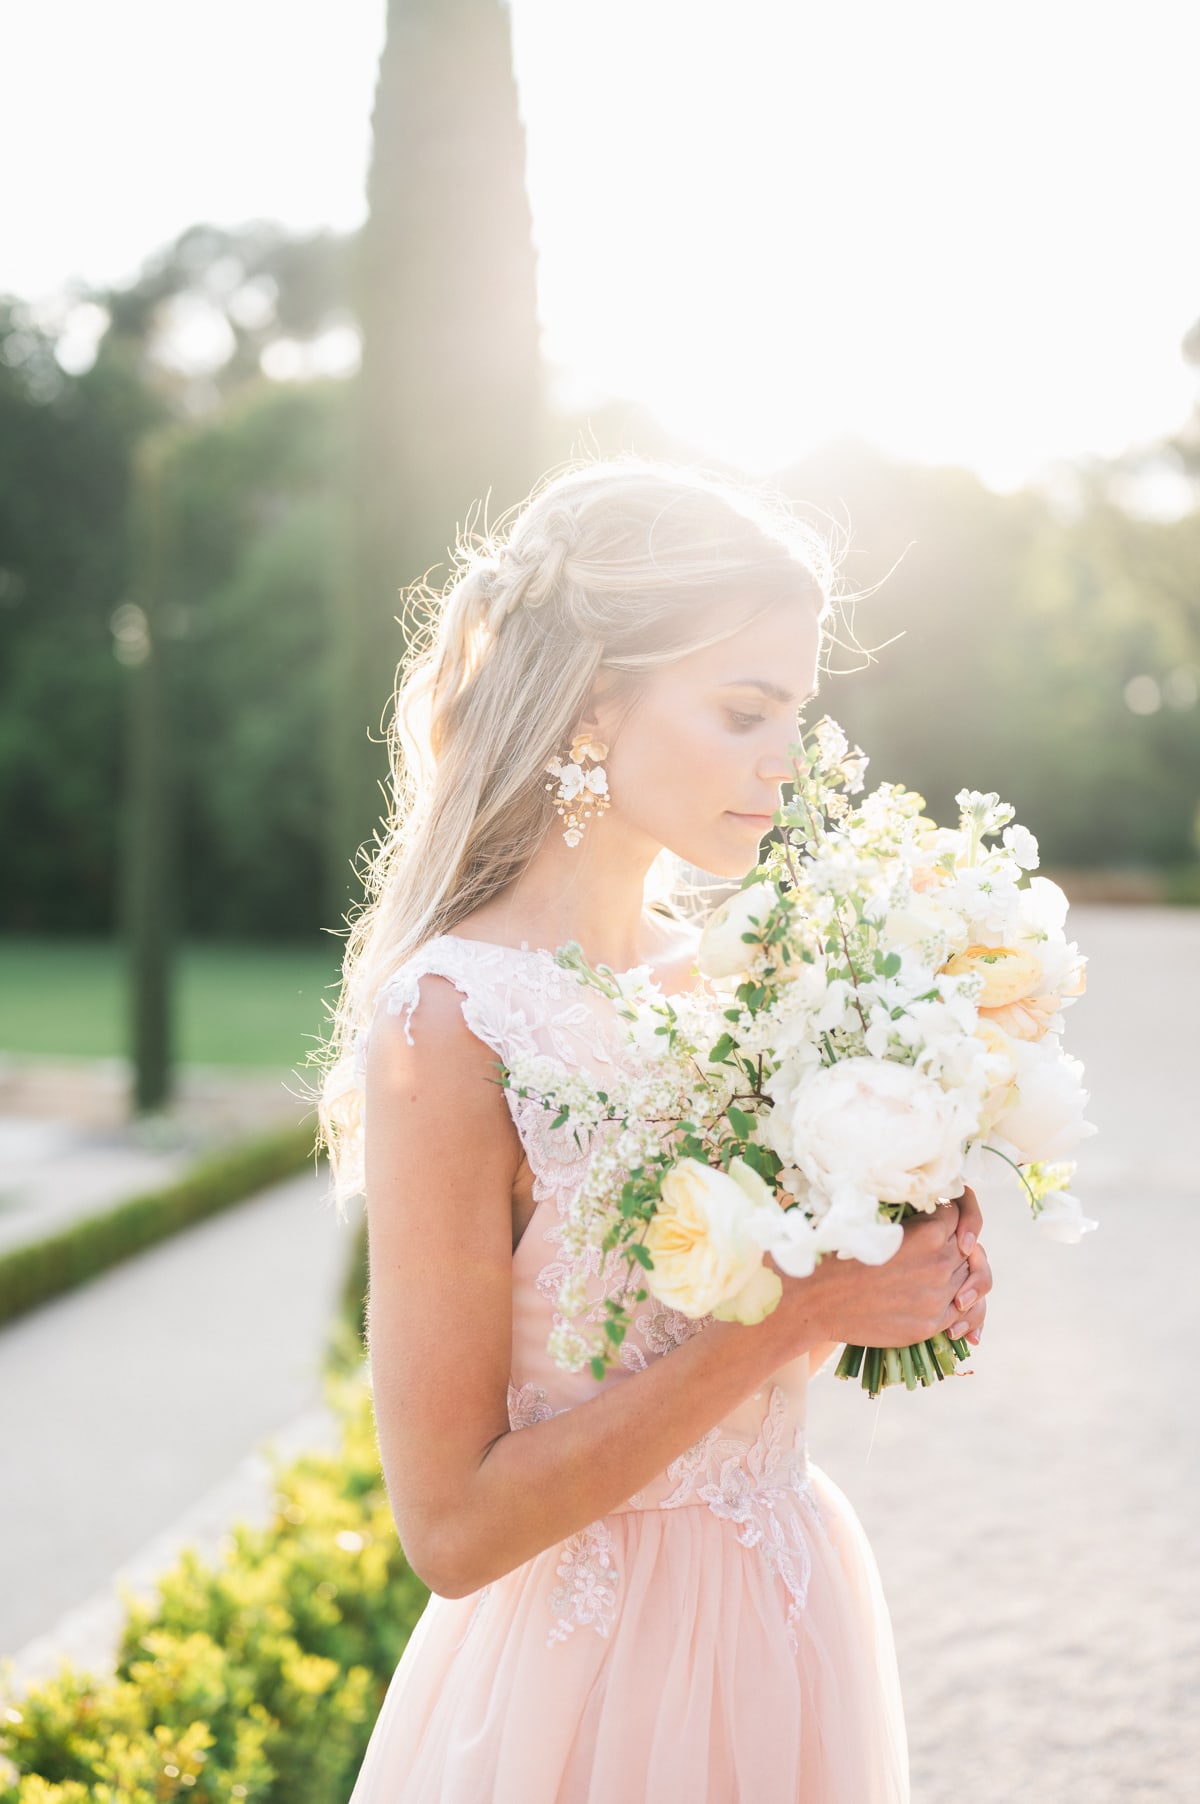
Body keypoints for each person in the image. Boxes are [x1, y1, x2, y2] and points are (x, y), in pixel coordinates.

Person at [318, 456, 992, 1803]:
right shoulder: (453, 1021)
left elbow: (790, 1313)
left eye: (796, 711)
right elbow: (450, 1529)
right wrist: (797, 1318)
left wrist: (910, 1265)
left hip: (786, 1614)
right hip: (591, 1682)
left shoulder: (751, 981)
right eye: (745, 710)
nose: (786, 758)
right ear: (587, 710)